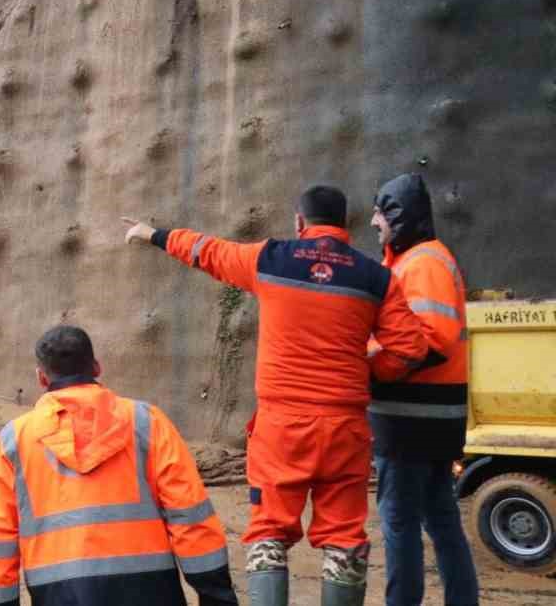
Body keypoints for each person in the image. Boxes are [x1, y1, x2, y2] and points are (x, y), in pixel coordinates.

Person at [122, 184, 429, 606]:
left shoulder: (270, 260)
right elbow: (411, 349)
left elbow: (206, 251)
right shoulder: (376, 276)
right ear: (345, 225)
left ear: (300, 222)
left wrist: (152, 234)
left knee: (268, 531)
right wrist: (365, 371)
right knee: (344, 536)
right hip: (345, 428)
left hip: (282, 429)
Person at [0, 325, 237, 606]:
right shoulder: (146, 422)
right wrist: (216, 594)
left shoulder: (15, 440)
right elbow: (189, 516)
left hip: (59, 594)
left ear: (42, 377)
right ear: (97, 367)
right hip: (151, 589)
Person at [369, 173, 479, 606]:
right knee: (441, 520)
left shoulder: (423, 263)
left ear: (401, 215)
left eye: (381, 212)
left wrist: (370, 364)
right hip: (429, 422)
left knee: (399, 524)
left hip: (411, 423)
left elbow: (426, 343)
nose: (374, 222)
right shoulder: (414, 260)